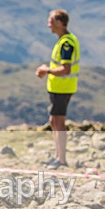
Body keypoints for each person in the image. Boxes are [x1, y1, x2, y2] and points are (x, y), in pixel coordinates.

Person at [35, 9, 80, 169]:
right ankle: (57, 156)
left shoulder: (66, 43)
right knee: (54, 121)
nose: (49, 25)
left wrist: (47, 70)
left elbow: (65, 69)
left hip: (63, 88)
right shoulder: (64, 40)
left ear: (60, 23)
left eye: (51, 21)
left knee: (58, 122)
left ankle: (61, 159)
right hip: (58, 88)